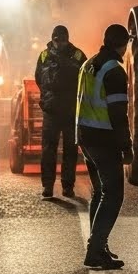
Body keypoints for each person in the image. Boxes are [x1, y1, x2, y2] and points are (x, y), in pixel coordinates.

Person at [76, 24, 133, 270]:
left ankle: (99, 245)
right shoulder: (114, 72)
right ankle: (96, 250)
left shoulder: (89, 64)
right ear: (124, 44)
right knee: (113, 195)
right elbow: (119, 114)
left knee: (100, 193)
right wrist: (126, 147)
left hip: (85, 136)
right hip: (104, 138)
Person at [34, 24, 87, 198]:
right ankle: (48, 186)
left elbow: (84, 77)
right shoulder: (44, 55)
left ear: (67, 39)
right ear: (53, 39)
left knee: (70, 151)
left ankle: (67, 186)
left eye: (63, 40)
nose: (60, 44)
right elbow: (38, 78)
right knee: (48, 150)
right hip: (51, 111)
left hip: (71, 110)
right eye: (57, 40)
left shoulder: (78, 55)